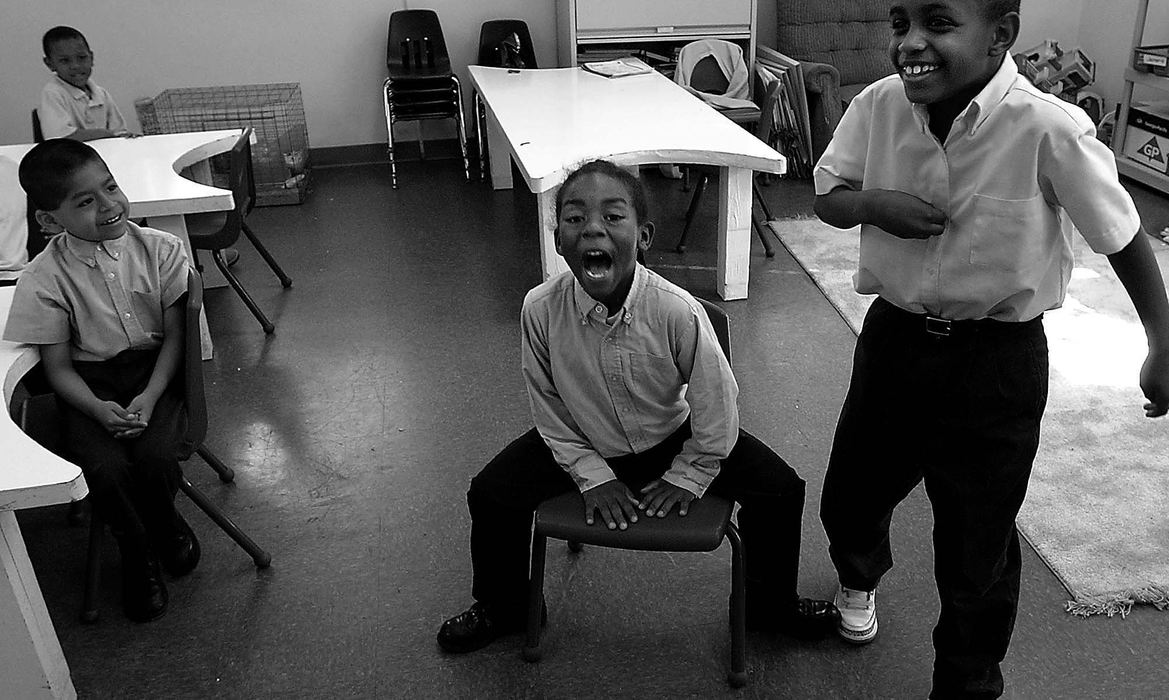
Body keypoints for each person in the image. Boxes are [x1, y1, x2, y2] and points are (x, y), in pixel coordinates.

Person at [812, 1, 1169, 697]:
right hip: (894, 343)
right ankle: (858, 575)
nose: (910, 43)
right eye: (899, 23)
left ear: (999, 34)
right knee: (851, 496)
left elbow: (1121, 234)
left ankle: (967, 678)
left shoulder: (1046, 127)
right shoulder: (879, 105)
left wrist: (1161, 341)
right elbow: (829, 194)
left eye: (938, 24)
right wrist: (874, 205)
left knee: (977, 541)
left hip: (996, 365)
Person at [437, 159, 840, 654]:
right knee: (491, 494)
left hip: (672, 439)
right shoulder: (540, 309)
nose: (592, 229)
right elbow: (548, 408)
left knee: (780, 490)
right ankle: (507, 607)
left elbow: (717, 403)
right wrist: (593, 474)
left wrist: (690, 472)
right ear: (558, 238)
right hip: (582, 439)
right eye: (574, 218)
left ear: (643, 235)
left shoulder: (675, 309)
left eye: (612, 217)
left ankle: (767, 606)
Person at [5, 139, 199, 622]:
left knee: (154, 456)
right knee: (105, 468)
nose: (109, 204)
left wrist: (151, 397)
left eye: (110, 187)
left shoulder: (162, 249)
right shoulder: (43, 277)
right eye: (85, 201)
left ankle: (166, 525)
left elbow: (176, 341)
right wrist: (96, 409)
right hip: (88, 387)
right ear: (49, 220)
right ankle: (137, 553)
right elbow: (59, 371)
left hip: (156, 373)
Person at [38, 26, 133, 141]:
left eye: (82, 57)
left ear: (92, 58)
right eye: (64, 61)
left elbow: (119, 133)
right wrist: (106, 134)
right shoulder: (53, 94)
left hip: (104, 155)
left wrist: (124, 137)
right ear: (49, 64)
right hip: (70, 157)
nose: (75, 66)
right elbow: (60, 139)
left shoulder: (102, 94)